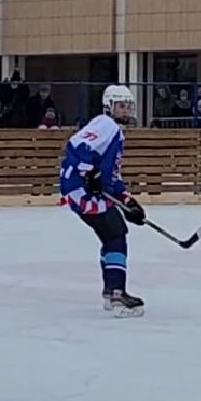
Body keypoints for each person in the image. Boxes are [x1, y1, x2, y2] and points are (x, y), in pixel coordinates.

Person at [59, 85, 146, 317]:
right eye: (120, 105)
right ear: (109, 106)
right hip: (81, 191)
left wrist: (127, 199)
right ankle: (117, 293)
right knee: (116, 234)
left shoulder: (113, 130)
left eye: (127, 105)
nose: (125, 110)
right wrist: (88, 174)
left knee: (111, 235)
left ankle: (110, 291)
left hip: (83, 190)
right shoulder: (106, 125)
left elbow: (111, 176)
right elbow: (77, 146)